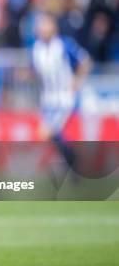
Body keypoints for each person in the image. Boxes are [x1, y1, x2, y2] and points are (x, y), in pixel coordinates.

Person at [31, 11, 91, 172]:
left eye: (46, 24)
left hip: (63, 98)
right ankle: (72, 165)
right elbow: (38, 75)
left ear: (54, 27)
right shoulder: (36, 49)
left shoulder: (64, 45)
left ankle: (73, 163)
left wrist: (77, 80)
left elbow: (85, 61)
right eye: (40, 25)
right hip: (47, 100)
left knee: (46, 133)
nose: (42, 28)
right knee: (51, 136)